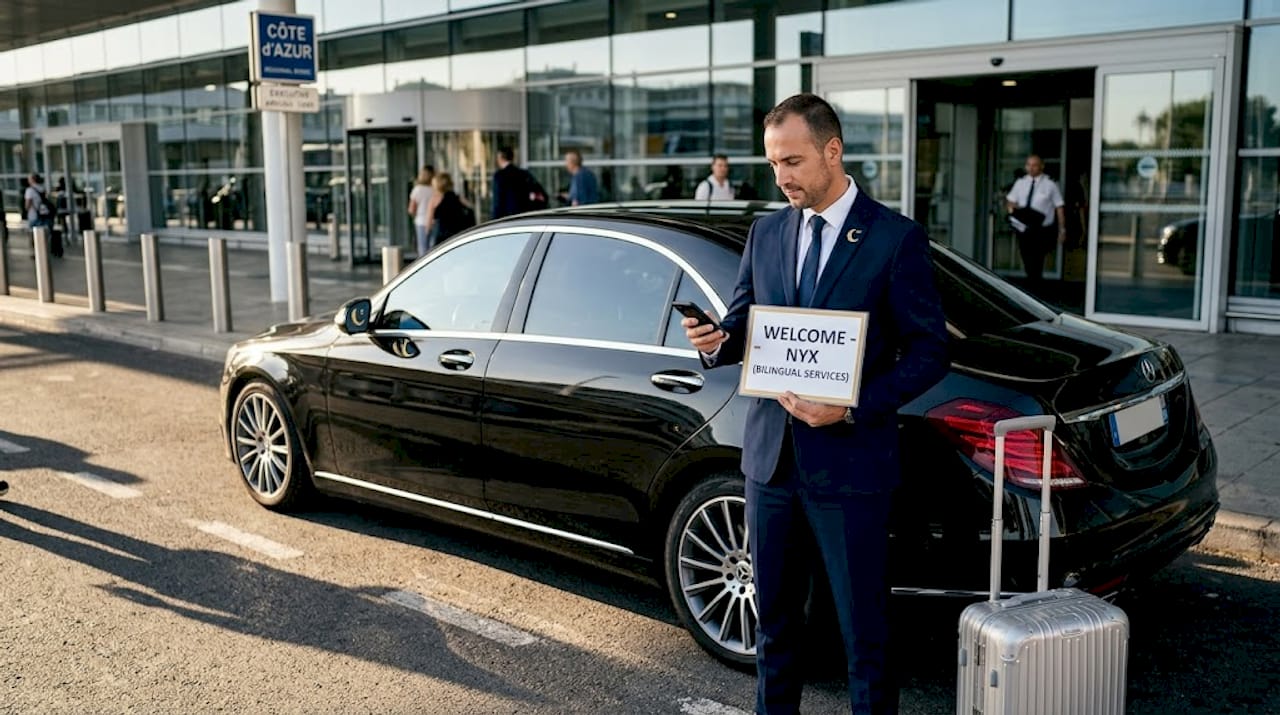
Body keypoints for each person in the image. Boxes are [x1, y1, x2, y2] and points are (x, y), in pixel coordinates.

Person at [683, 93, 949, 715]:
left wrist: (851, 406)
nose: (782, 178)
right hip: (770, 465)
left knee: (865, 641)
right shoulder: (768, 230)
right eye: (773, 164)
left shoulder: (894, 238)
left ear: (833, 151)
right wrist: (720, 339)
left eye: (793, 162)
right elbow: (747, 318)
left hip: (851, 469)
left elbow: (929, 352)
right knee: (772, 630)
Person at [1005, 154, 1066, 284]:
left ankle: (1035, 288)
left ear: (1041, 166)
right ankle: (1032, 286)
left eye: (1034, 165)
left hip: (1041, 230)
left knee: (1037, 260)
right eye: (1028, 165)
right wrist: (1014, 209)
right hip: (1024, 228)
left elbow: (1059, 207)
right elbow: (1010, 202)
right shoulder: (1020, 183)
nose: (1031, 168)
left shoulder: (1050, 184)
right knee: (1027, 259)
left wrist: (1062, 229)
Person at [491, 147, 547, 219]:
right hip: (524, 219)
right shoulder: (524, 174)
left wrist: (494, 221)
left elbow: (498, 203)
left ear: (500, 158)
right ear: (512, 158)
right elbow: (542, 196)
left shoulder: (500, 176)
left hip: (507, 220)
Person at [422, 171, 475, 245]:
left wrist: (427, 234)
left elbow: (429, 221)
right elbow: (470, 207)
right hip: (456, 233)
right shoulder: (457, 197)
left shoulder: (434, 200)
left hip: (441, 234)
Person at [407, 166, 435, 256]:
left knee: (422, 249)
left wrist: (416, 215)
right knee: (433, 248)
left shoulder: (417, 190)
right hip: (434, 222)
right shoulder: (435, 190)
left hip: (421, 221)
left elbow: (411, 209)